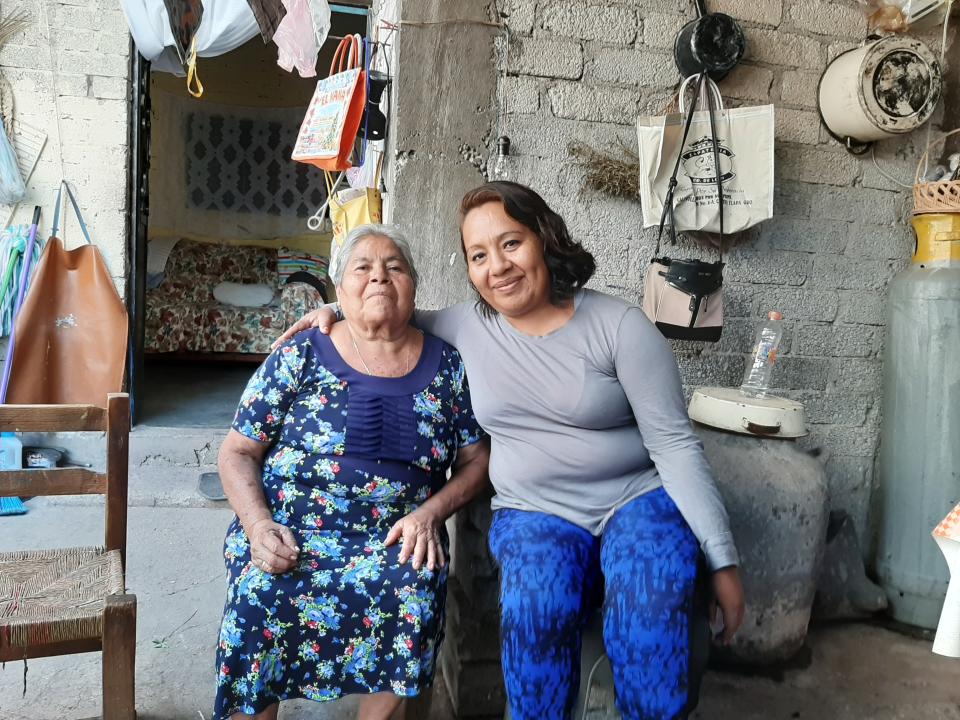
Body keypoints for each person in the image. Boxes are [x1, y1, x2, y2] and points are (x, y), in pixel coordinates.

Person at [277, 182, 745, 720]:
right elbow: (392, 308)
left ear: (544, 239)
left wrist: (723, 560)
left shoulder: (619, 326)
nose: (497, 266)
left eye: (510, 243)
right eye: (478, 255)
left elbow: (675, 444)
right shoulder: (467, 327)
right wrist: (334, 308)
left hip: (635, 499)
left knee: (653, 605)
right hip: (534, 511)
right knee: (535, 611)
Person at [214, 224, 490, 720]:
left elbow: (475, 461)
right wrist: (258, 525)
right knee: (259, 593)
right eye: (363, 268)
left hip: (395, 536)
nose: (379, 278)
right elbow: (237, 452)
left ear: (414, 286)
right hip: (289, 529)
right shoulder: (299, 354)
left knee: (412, 588)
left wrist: (430, 514)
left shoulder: (449, 366)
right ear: (339, 290)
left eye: (395, 268)